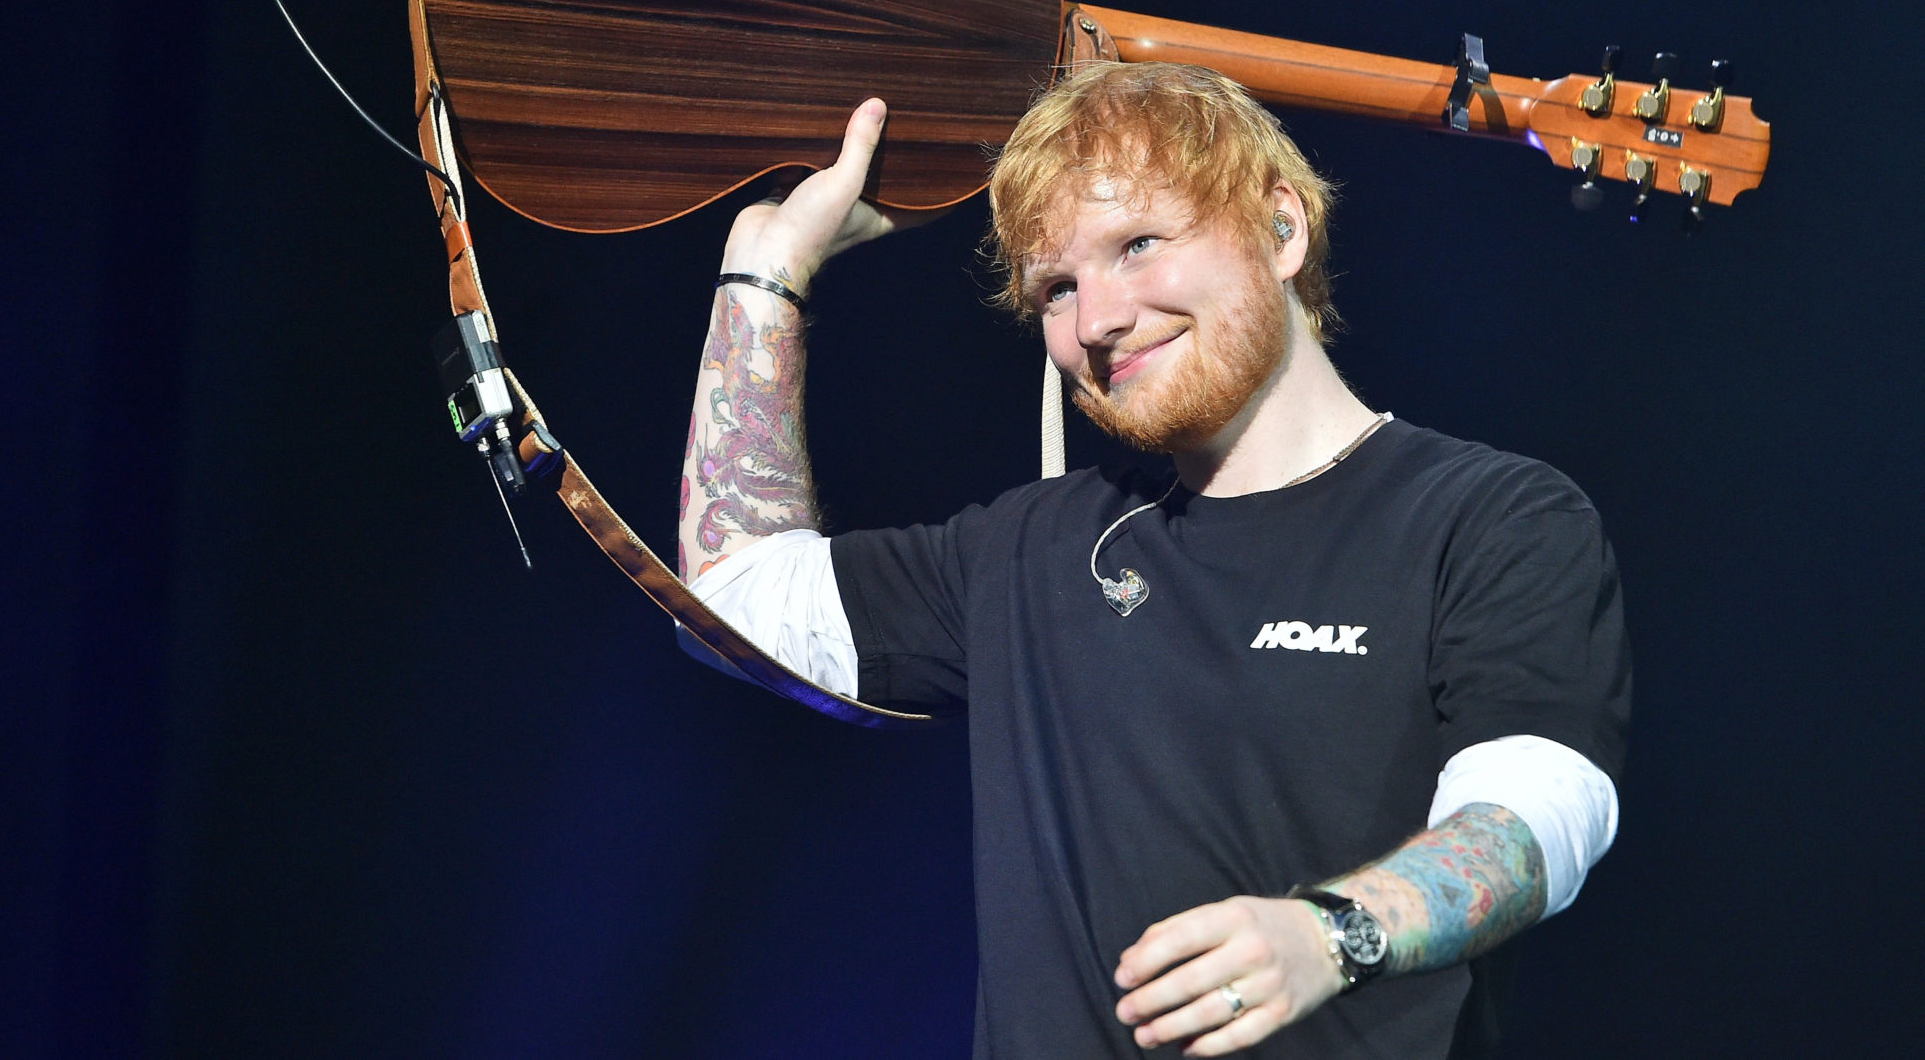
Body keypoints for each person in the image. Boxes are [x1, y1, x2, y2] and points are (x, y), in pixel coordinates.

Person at [677, 63, 1629, 1058]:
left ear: (1280, 228)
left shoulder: (1488, 516)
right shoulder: (1034, 548)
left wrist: (1330, 931)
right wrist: (765, 268)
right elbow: (732, 602)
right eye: (1057, 287)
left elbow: (1536, 822)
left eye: (1136, 245)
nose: (1096, 320)